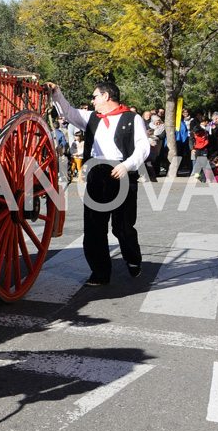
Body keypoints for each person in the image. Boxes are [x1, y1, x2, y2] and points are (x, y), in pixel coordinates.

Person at [48, 80, 149, 287]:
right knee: (94, 228)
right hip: (97, 174)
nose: (92, 101)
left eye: (94, 96)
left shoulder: (132, 118)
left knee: (123, 227)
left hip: (122, 174)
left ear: (106, 96)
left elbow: (143, 147)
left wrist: (127, 165)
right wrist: (57, 92)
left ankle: (133, 259)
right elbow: (68, 113)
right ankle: (100, 273)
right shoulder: (91, 118)